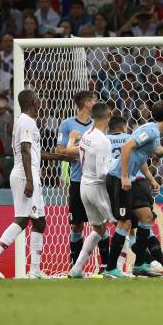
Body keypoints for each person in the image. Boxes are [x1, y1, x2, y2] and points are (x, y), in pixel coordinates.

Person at [0, 90, 47, 279]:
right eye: (38, 97)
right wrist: (30, 180)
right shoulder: (26, 121)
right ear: (33, 101)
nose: (40, 100)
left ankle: (35, 271)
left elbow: (33, 152)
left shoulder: (25, 121)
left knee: (40, 221)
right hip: (25, 175)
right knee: (23, 219)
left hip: (30, 173)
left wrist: (63, 157)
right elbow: (25, 150)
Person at [104, 101, 163, 278]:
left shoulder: (154, 133)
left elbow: (140, 155)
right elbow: (126, 147)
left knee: (146, 217)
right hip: (119, 178)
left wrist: (151, 179)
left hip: (130, 180)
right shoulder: (150, 130)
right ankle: (111, 268)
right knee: (125, 223)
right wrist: (125, 175)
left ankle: (140, 263)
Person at [55, 91, 110, 270]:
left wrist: (78, 149)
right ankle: (75, 265)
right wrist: (78, 150)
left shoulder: (98, 124)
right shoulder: (67, 124)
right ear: (87, 103)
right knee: (76, 225)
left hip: (97, 181)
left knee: (101, 223)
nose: (95, 101)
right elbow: (60, 151)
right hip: (78, 180)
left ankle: (106, 264)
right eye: (93, 99)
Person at [68, 103, 114, 278]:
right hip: (97, 188)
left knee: (99, 229)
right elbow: (103, 173)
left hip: (84, 186)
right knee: (122, 224)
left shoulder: (87, 134)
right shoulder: (103, 140)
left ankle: (77, 268)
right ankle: (114, 268)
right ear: (109, 115)